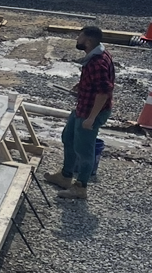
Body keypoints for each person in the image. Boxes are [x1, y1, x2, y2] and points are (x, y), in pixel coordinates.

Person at [44, 26, 115, 200]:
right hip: (82, 107)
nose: (77, 39)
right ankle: (65, 176)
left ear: (88, 42)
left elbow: (104, 92)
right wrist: (81, 87)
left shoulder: (98, 62)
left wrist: (91, 118)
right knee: (68, 138)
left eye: (80, 37)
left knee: (84, 149)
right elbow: (95, 84)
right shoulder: (95, 55)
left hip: (91, 112)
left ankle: (80, 187)